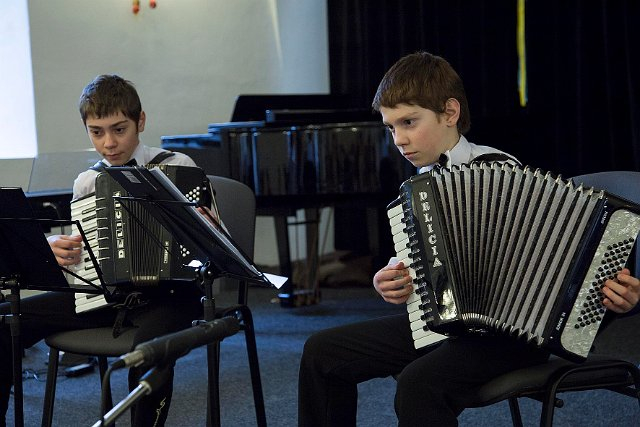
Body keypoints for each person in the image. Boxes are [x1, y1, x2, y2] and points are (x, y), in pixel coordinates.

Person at [297, 52, 640, 427]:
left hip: (514, 338)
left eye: (409, 122)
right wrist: (394, 279)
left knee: (418, 384)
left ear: (450, 112)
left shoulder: (501, 171)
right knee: (322, 352)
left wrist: (611, 294)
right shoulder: (417, 190)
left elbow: (559, 256)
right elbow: (423, 273)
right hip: (446, 325)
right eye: (391, 127)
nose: (399, 139)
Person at [0, 75, 210, 427]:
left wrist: (206, 225)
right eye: (97, 132)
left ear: (140, 122)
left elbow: (210, 250)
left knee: (147, 351)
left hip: (174, 294)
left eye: (119, 129)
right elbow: (80, 259)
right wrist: (52, 250)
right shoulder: (87, 181)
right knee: (5, 318)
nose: (109, 143)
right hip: (107, 296)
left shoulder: (177, 167)